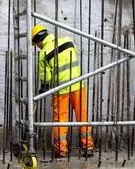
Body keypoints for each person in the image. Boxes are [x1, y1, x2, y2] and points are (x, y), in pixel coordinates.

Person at [31, 24, 94, 157]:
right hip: (78, 85)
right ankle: (88, 147)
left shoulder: (43, 53)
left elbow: (46, 78)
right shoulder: (68, 40)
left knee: (61, 120)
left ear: (39, 40)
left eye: (36, 44)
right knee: (82, 116)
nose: (37, 46)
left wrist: (43, 89)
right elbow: (74, 55)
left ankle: (61, 151)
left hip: (61, 90)